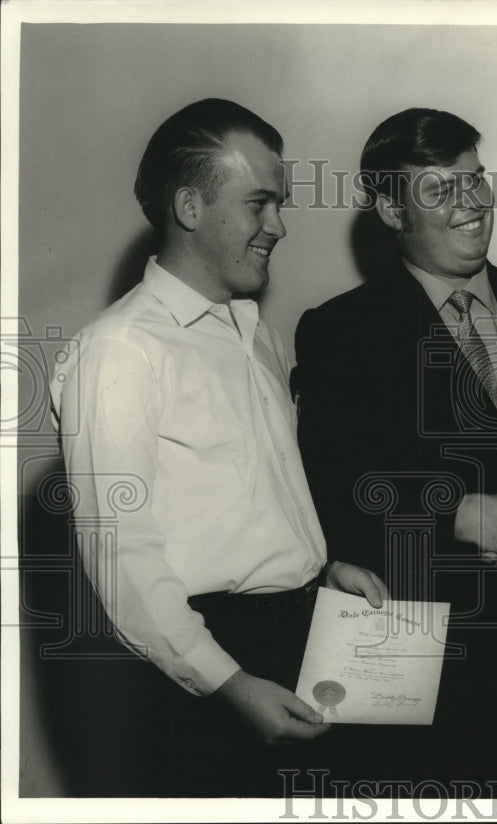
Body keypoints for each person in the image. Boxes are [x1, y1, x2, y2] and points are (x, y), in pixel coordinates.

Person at [49, 98, 387, 797]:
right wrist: (230, 684)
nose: (281, 225)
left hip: (297, 643)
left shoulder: (253, 332)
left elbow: (242, 505)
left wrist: (319, 572)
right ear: (190, 207)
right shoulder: (119, 351)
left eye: (281, 203)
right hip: (209, 677)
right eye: (260, 203)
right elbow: (122, 562)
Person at [292, 108, 497, 789]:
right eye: (439, 190)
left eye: (475, 181)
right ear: (390, 209)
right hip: (433, 678)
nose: (470, 204)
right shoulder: (339, 331)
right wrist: (467, 515)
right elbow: (336, 489)